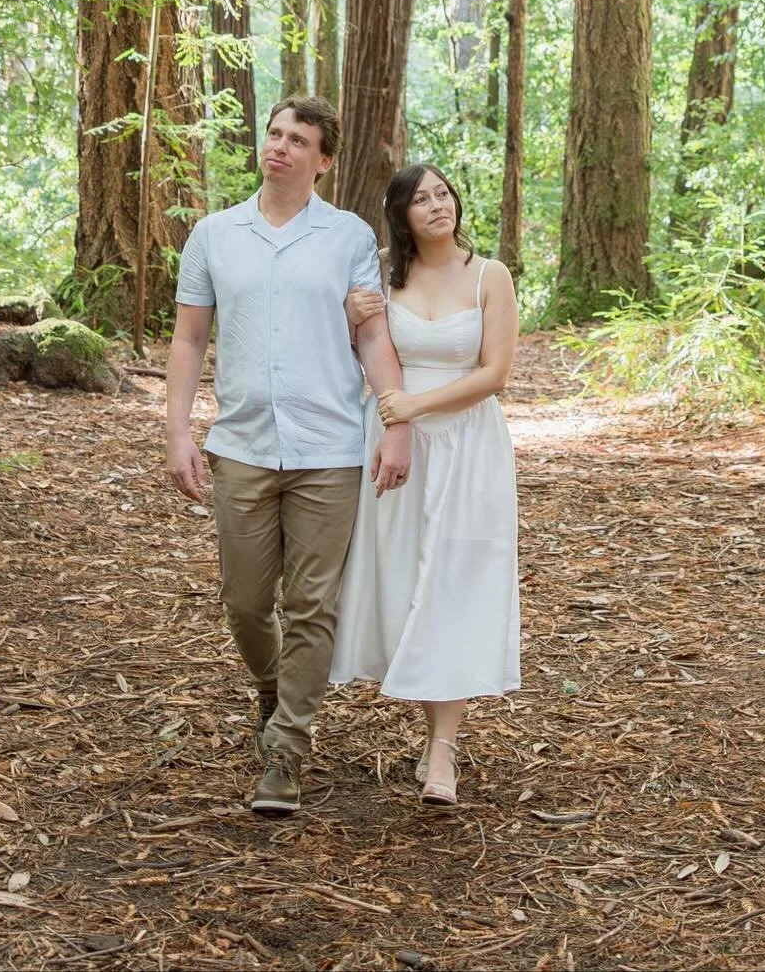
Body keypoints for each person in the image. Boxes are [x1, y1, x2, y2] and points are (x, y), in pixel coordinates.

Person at [164, 96, 412, 818]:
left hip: (328, 447)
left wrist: (395, 420)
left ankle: (287, 749)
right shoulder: (214, 235)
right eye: (274, 133)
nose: (279, 146)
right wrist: (178, 431)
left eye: (298, 139)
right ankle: (272, 687)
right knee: (245, 603)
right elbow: (188, 339)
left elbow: (371, 334)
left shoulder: (348, 237)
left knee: (311, 604)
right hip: (240, 445)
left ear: (323, 160)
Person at [329, 162, 521, 807]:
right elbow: (352, 350)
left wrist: (414, 404)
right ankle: (421, 711)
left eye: (443, 194)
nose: (437, 205)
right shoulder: (383, 277)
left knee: (454, 585)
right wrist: (346, 316)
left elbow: (495, 374)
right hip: (396, 445)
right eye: (420, 200)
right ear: (401, 216)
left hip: (468, 446)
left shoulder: (490, 276)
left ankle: (443, 748)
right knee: (406, 577)